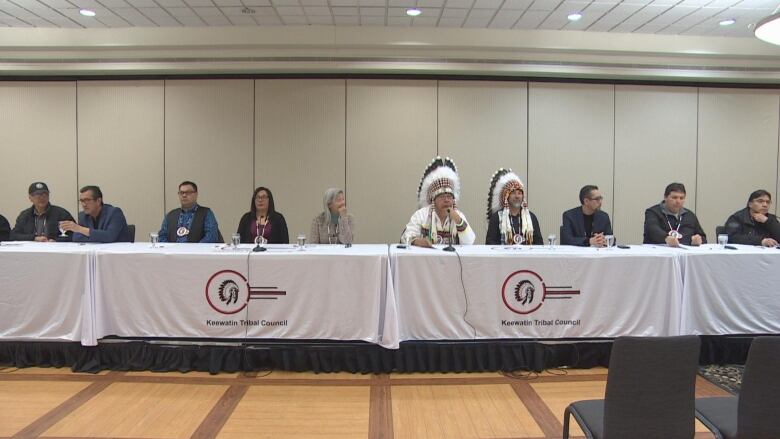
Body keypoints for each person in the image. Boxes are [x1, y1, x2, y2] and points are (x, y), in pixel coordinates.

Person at [402, 156, 475, 247]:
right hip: (426, 259)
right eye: (441, 197)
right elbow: (406, 237)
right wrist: (418, 242)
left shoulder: (458, 216)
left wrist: (458, 220)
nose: (446, 200)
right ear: (433, 200)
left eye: (449, 196)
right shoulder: (421, 215)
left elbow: (469, 242)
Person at [485, 168, 542, 245]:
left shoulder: (531, 217)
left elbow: (539, 243)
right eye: (513, 193)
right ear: (506, 197)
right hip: (504, 256)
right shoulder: (497, 218)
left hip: (526, 256)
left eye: (519, 193)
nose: (517, 196)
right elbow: (490, 243)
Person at [58, 185, 132, 243]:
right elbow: (77, 237)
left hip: (117, 256)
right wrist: (98, 236)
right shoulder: (83, 216)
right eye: (81, 201)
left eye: (87, 200)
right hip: (95, 254)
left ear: (98, 201)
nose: (83, 204)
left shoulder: (114, 213)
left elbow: (109, 236)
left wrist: (79, 229)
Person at [643, 182, 706, 247]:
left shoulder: (689, 215)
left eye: (681, 198)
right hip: (659, 252)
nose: (678, 201)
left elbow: (703, 238)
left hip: (685, 252)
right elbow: (652, 230)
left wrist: (698, 240)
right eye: (674, 197)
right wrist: (666, 238)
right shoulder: (653, 212)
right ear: (665, 197)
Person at [9, 182, 75, 242]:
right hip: (30, 250)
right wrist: (34, 238)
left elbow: (75, 234)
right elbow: (13, 235)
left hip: (54, 250)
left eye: (45, 194)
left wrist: (56, 240)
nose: (42, 197)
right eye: (38, 194)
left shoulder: (61, 213)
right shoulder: (24, 215)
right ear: (30, 198)